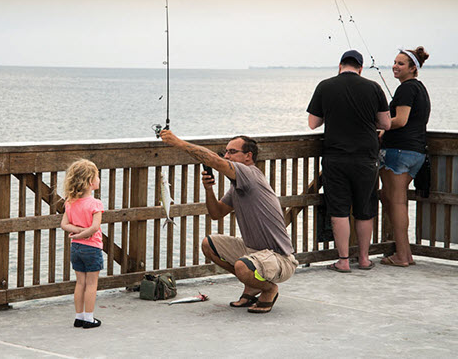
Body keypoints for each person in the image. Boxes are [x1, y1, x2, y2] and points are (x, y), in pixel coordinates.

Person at [159, 130, 298, 314]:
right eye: (226, 152)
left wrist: (178, 142)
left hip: (279, 258)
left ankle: (269, 289)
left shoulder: (250, 174)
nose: (226, 156)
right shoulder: (237, 186)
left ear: (248, 156)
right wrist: (209, 190)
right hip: (253, 252)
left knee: (242, 266)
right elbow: (216, 213)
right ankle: (252, 285)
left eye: (232, 152)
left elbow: (214, 161)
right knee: (209, 244)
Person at [307, 50, 391, 272]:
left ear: (340, 65)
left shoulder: (325, 86)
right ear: (361, 68)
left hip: (335, 156)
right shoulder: (374, 87)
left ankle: (343, 260)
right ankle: (363, 259)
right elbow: (386, 123)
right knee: (365, 208)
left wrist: (331, 113)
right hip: (366, 157)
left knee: (339, 210)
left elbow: (313, 123)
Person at [379, 47, 431, 267]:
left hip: (399, 152)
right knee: (390, 197)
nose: (395, 66)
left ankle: (402, 256)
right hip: (416, 152)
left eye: (401, 63)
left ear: (413, 68)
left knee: (398, 202)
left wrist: (380, 126)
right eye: (394, 62)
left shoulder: (406, 89)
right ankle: (405, 253)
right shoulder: (420, 89)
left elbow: (401, 120)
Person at [60, 159, 104, 328]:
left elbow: (64, 224)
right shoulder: (95, 204)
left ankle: (78, 316)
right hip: (92, 247)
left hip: (76, 248)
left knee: (80, 283)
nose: (99, 180)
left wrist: (76, 233)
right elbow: (94, 228)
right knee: (92, 284)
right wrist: (84, 234)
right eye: (97, 176)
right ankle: (89, 318)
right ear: (90, 182)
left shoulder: (70, 202)